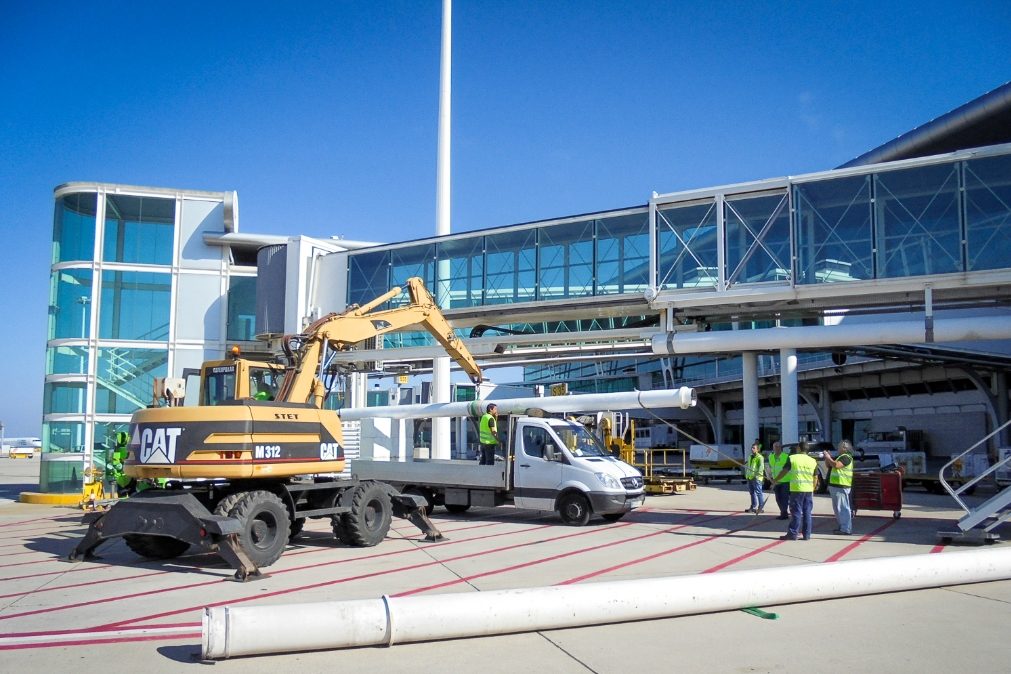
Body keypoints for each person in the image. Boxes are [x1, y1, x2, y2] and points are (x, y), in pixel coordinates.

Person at [772, 441, 817, 540]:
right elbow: (815, 477)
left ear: (799, 448)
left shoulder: (793, 458)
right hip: (808, 490)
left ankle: (792, 533)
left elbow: (784, 471)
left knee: (796, 512)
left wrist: (775, 480)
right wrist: (813, 488)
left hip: (797, 489)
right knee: (807, 512)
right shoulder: (813, 461)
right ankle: (807, 535)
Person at [824, 439, 855, 535]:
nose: (838, 448)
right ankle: (843, 526)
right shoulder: (841, 457)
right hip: (836, 485)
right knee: (838, 508)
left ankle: (846, 528)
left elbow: (836, 465)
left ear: (845, 448)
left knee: (842, 508)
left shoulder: (846, 457)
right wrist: (827, 458)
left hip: (841, 485)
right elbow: (829, 465)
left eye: (840, 446)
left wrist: (828, 457)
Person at [767, 441, 791, 520]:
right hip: (775, 481)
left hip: (785, 481)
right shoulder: (771, 456)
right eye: (775, 447)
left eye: (778, 447)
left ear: (781, 448)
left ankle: (784, 513)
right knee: (778, 498)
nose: (776, 448)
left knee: (784, 498)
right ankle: (783, 512)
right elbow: (770, 468)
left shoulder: (786, 456)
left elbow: (786, 469)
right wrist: (770, 477)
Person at [744, 441, 764, 513]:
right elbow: (749, 466)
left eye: (754, 448)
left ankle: (760, 507)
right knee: (752, 493)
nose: (752, 449)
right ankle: (753, 506)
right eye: (752, 448)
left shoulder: (760, 457)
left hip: (756, 478)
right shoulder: (750, 456)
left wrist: (756, 475)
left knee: (759, 492)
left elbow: (761, 468)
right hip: (750, 477)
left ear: (757, 449)